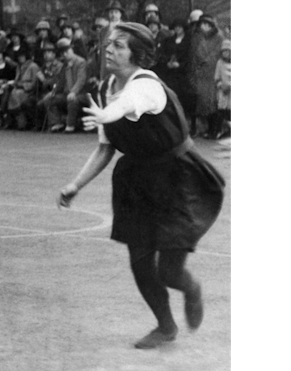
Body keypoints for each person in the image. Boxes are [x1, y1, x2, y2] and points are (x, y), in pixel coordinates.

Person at [58, 23, 225, 349]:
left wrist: (107, 114)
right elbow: (106, 148)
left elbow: (128, 105)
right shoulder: (108, 87)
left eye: (119, 45)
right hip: (136, 180)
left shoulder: (145, 85)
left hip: (177, 178)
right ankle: (165, 326)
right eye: (109, 44)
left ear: (136, 54)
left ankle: (191, 289)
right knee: (140, 263)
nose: (109, 49)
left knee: (169, 271)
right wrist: (75, 184)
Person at [40, 39, 89, 133]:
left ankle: (70, 126)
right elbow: (61, 81)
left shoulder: (81, 62)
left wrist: (73, 92)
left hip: (81, 93)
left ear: (72, 50)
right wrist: (54, 92)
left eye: (67, 51)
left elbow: (81, 80)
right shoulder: (65, 65)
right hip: (66, 93)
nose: (65, 54)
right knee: (48, 99)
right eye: (63, 53)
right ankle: (56, 123)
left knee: (72, 99)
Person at [189, 15, 224, 138]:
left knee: (214, 103)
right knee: (205, 105)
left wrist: (206, 60)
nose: (203, 27)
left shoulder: (218, 37)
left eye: (205, 24)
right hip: (203, 76)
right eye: (201, 25)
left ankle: (215, 130)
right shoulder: (201, 38)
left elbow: (217, 53)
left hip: (213, 74)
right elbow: (197, 53)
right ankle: (209, 129)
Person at [213, 39, 232, 142]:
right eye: (224, 51)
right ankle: (220, 130)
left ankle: (230, 130)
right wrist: (220, 85)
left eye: (228, 51)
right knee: (221, 111)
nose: (226, 53)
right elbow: (216, 77)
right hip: (222, 92)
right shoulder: (219, 63)